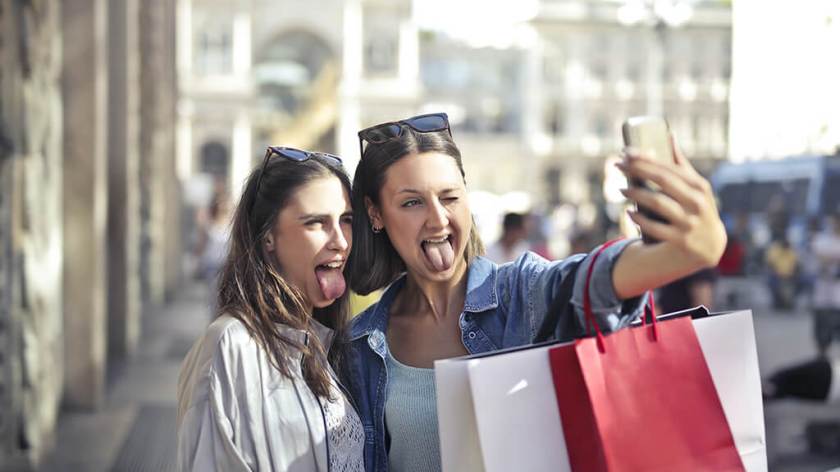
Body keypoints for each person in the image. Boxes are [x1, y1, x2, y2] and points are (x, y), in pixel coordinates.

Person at [344, 112, 728, 472]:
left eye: (449, 197)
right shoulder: (359, 345)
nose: (438, 218)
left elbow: (590, 284)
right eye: (411, 202)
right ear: (375, 213)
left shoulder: (523, 293)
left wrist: (680, 253)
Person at [176, 147, 364, 472]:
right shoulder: (230, 344)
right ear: (268, 237)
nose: (341, 241)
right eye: (316, 222)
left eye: (346, 220)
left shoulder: (324, 343)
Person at [812, 214, 840, 355]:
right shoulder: (822, 239)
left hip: (837, 295)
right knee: (822, 333)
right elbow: (820, 256)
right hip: (822, 293)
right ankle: (821, 358)